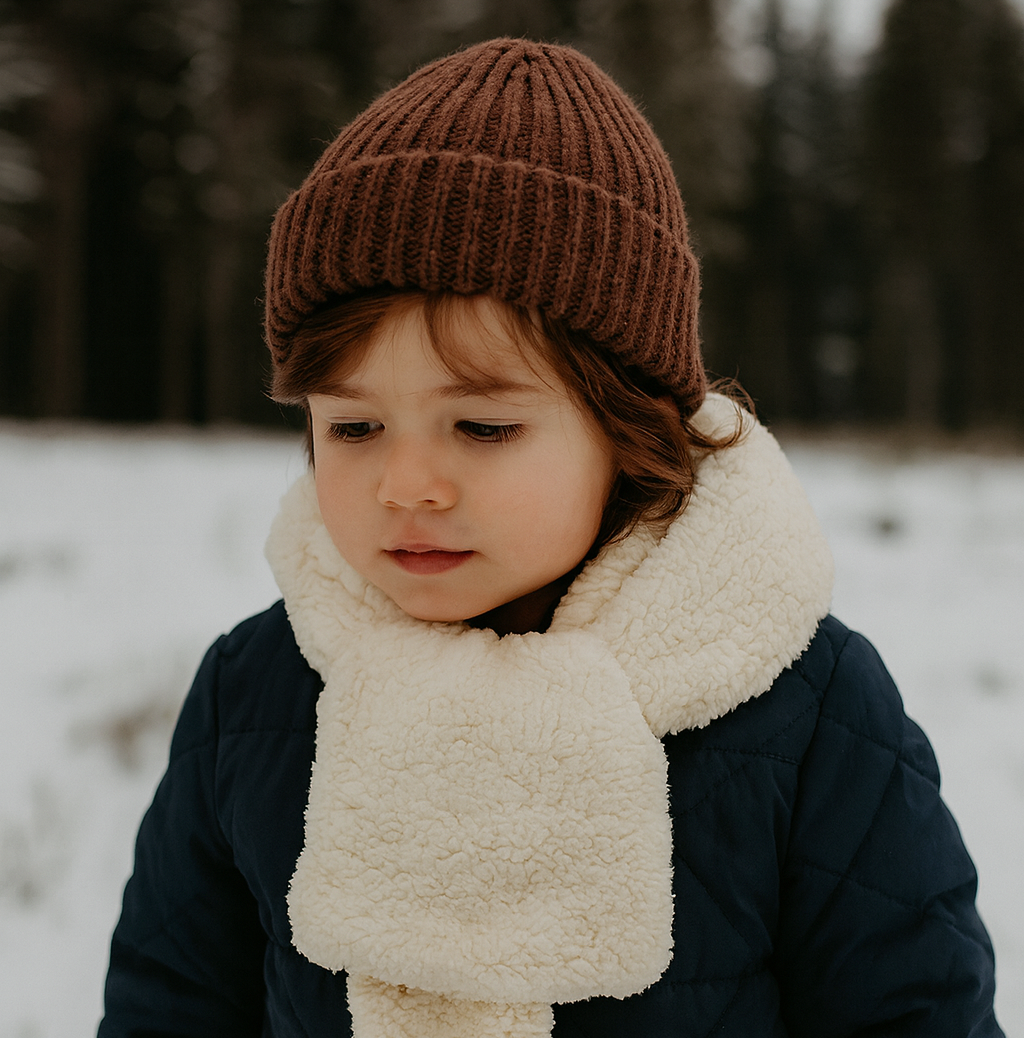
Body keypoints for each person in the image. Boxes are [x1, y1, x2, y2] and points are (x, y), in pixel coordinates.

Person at [98, 38, 1003, 1038]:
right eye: (353, 428)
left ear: (628, 428)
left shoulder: (802, 712)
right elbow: (166, 1005)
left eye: (483, 427)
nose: (406, 485)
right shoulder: (256, 695)